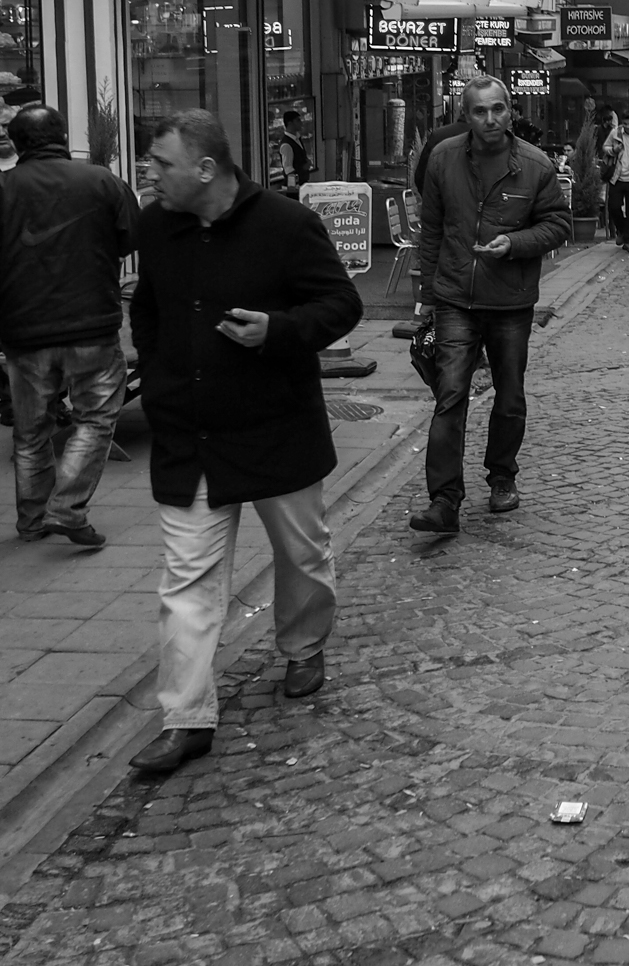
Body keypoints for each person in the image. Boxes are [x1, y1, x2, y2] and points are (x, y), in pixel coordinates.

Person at [127, 109, 363, 776]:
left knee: (301, 555)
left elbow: (341, 305)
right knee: (187, 580)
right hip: (190, 434)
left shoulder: (287, 225)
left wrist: (277, 331)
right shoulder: (157, 225)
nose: (150, 175)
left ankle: (304, 645)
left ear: (206, 169)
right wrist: (159, 376)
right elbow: (148, 308)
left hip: (275, 427)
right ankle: (186, 717)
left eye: (161, 163)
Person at [410, 75, 572, 534]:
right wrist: (427, 299)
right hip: (455, 297)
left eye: (497, 108)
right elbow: (431, 230)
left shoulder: (534, 165)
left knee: (510, 394)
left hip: (509, 300)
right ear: (466, 115)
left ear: (510, 111)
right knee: (450, 395)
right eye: (479, 111)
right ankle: (445, 500)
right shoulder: (444, 158)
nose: (490, 119)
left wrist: (514, 243)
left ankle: (502, 475)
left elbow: (558, 224)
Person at [0, 104, 140, 548]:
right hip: (91, 323)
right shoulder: (101, 181)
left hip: (23, 330)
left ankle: (32, 521)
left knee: (30, 431)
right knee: (96, 417)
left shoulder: (4, 188)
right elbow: (131, 237)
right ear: (63, 136)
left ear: (16, 144)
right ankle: (66, 508)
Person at [605, 110, 629, 251]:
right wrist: (613, 150)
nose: (628, 127)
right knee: (614, 206)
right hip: (617, 176)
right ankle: (621, 230)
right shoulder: (616, 133)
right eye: (625, 124)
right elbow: (605, 147)